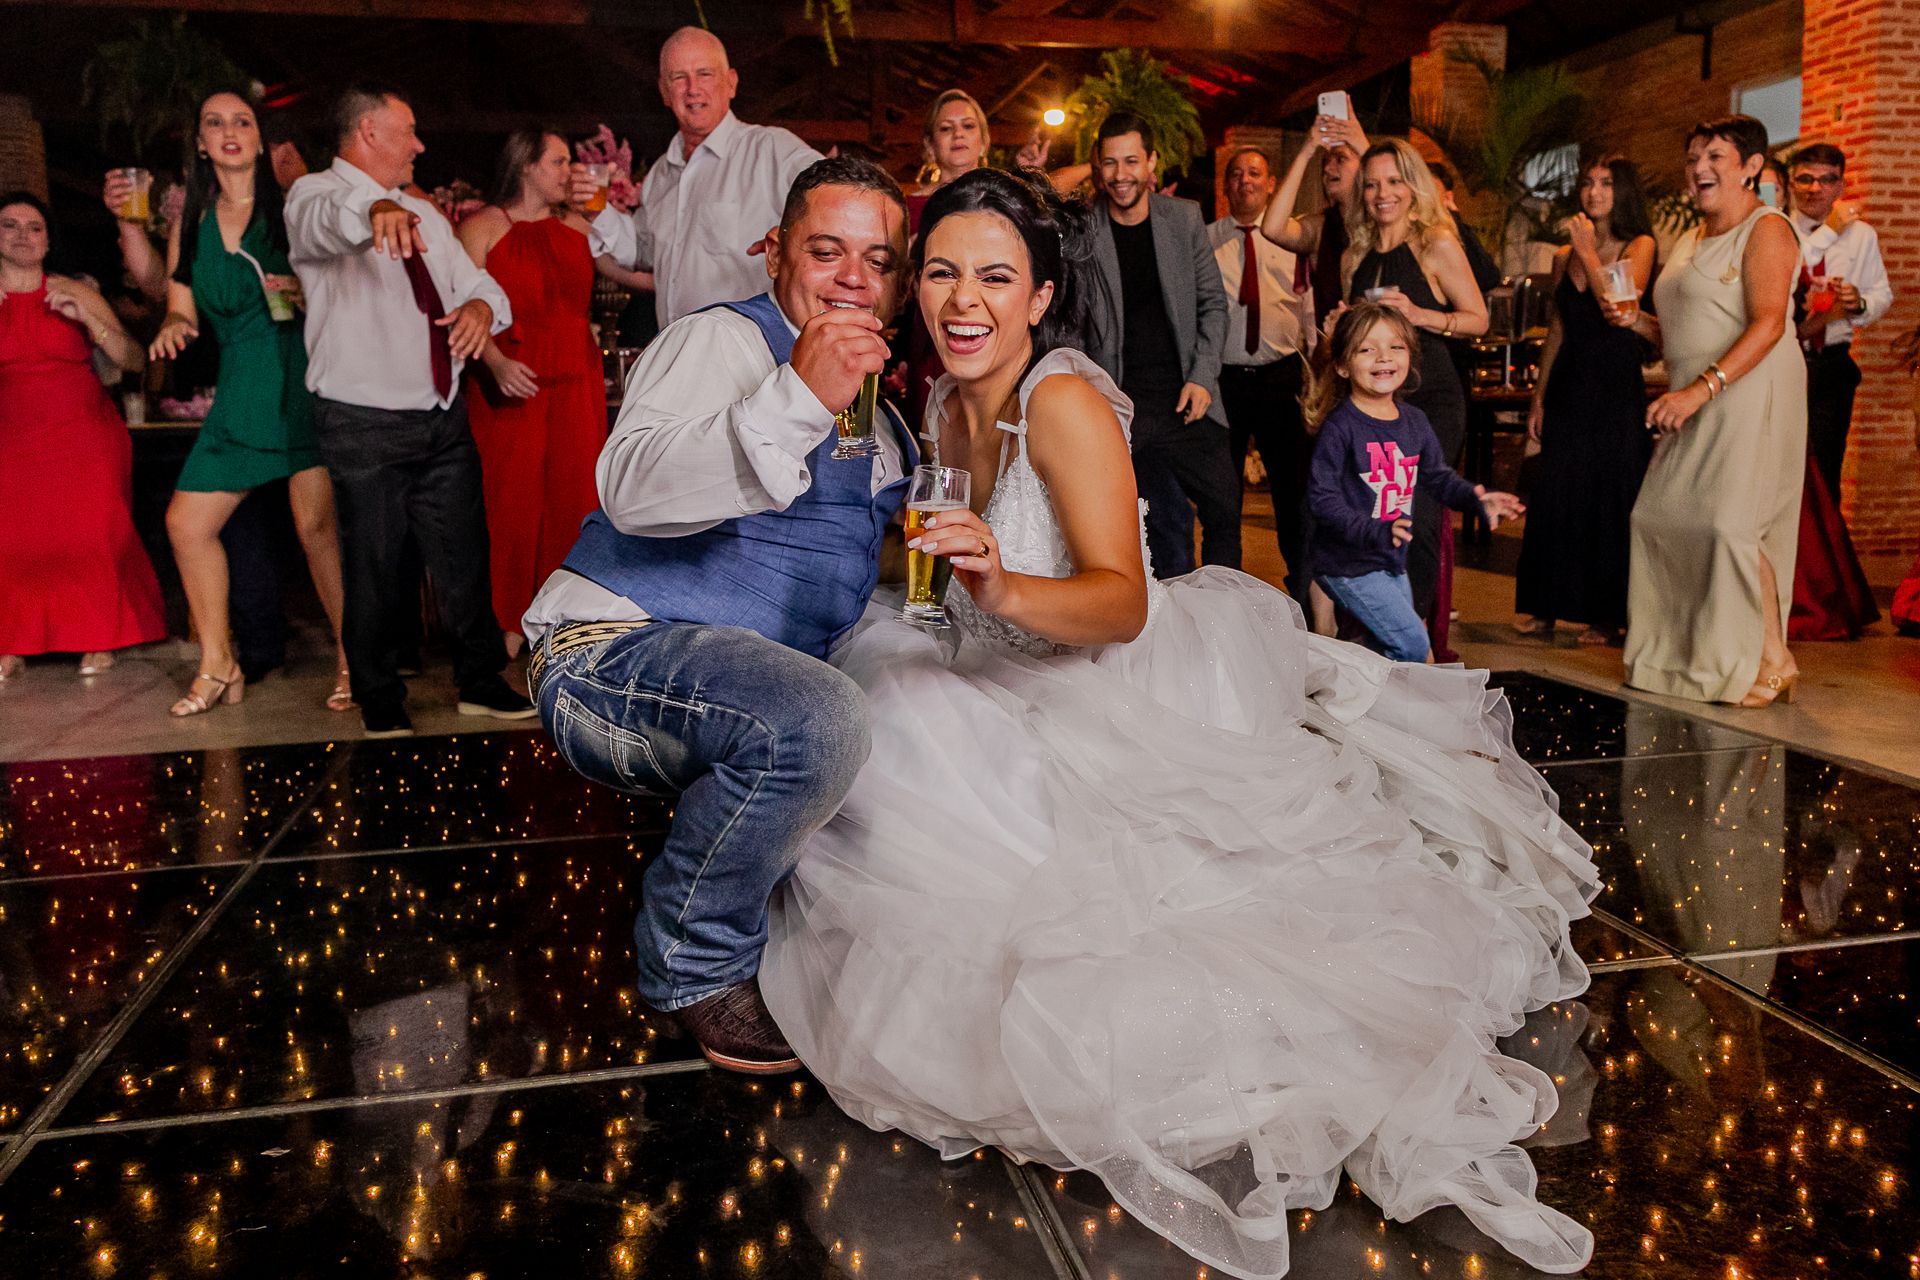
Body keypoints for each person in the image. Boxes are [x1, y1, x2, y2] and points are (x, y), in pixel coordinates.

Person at [758, 168, 1598, 1280]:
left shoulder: (1058, 396)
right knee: (875, 703)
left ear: (1042, 296)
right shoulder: (935, 400)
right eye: (946, 273)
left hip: (1106, 668)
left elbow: (1121, 600)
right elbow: (931, 566)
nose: (966, 299)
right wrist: (913, 584)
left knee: (939, 771)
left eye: (996, 277)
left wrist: (1001, 589)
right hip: (989, 651)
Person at [524, 155, 916, 1073]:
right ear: (773, 253)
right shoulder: (721, 344)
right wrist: (796, 395)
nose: (853, 277)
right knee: (818, 720)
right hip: (607, 658)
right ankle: (694, 963)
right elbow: (628, 489)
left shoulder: (890, 430)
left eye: (878, 259)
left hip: (724, 682)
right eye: (826, 250)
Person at [285, 83, 532, 737]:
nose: (420, 144)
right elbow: (328, 223)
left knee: (463, 556)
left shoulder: (419, 212)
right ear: (369, 131)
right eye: (410, 130)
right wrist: (369, 219)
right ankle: (379, 697)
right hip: (362, 421)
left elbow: (478, 284)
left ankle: (480, 680)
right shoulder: (315, 196)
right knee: (373, 564)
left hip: (440, 411)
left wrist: (482, 309)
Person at [146, 89, 351, 717]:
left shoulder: (293, 206)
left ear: (261, 140)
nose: (230, 131)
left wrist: (305, 293)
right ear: (201, 144)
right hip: (239, 388)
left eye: (243, 121)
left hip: (298, 375)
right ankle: (218, 662)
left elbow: (344, 289)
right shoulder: (195, 221)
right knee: (187, 524)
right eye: (215, 123)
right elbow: (182, 299)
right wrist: (172, 326)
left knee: (315, 528)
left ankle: (353, 658)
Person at [1611, 116, 1805, 707]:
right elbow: (1681, 326)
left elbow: (1770, 321)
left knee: (1732, 525)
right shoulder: (1691, 238)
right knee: (1656, 517)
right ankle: (1680, 654)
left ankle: (1770, 658)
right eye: (1694, 156)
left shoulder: (1768, 228)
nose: (1700, 167)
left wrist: (1701, 388)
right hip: (1693, 392)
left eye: (1716, 155)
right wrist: (1636, 322)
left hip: (1748, 389)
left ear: (1752, 166)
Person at [0, 192, 166, 681]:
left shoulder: (75, 289)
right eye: (10, 225)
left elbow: (134, 359)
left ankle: (99, 635)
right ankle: (10, 640)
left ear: (49, 240)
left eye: (34, 227)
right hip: (11, 438)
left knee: (92, 535)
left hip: (84, 436)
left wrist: (89, 319)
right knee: (12, 540)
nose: (23, 235)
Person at [456, 128, 606, 659]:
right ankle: (507, 622)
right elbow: (458, 305)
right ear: (526, 166)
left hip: (575, 377)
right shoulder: (481, 226)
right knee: (510, 502)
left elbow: (632, 272)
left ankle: (564, 618)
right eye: (560, 161)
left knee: (575, 496)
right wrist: (494, 363)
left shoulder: (580, 226)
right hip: (509, 378)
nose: (570, 171)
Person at [1305, 302, 1523, 661]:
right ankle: (1347, 703)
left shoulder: (1415, 422)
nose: (1383, 357)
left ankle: (1349, 707)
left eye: (1395, 346)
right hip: (1347, 565)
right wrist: (1375, 531)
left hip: (1391, 560)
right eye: (1366, 348)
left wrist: (1475, 499)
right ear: (1343, 365)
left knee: (1383, 647)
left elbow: (1437, 478)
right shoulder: (1341, 428)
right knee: (1412, 645)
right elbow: (1323, 499)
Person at [1341, 138, 1489, 628]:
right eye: (1372, 184)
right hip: (1375, 404)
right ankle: (1369, 637)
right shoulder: (1355, 255)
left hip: (1432, 402)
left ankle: (1409, 647)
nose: (1383, 193)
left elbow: (1478, 319)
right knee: (1370, 515)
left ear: (1413, 186)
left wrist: (1419, 314)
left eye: (1394, 181)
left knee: (1416, 517)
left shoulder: (1436, 244)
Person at [1513, 156, 1657, 646]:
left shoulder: (1641, 245)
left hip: (1615, 382)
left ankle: (1605, 616)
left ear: (1624, 191)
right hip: (1571, 380)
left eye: (1607, 184)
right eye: (1588, 183)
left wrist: (1590, 254)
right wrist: (1539, 397)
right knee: (1556, 489)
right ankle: (1545, 605)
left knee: (1609, 493)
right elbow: (1558, 327)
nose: (1594, 192)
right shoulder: (1560, 256)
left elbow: (1619, 306)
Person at [589, 26, 821, 327]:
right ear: (664, 91)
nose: (692, 88)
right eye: (678, 77)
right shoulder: (661, 172)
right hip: (675, 352)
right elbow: (642, 250)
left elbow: (834, 188)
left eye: (704, 74)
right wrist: (592, 208)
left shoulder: (770, 149)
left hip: (749, 361)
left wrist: (795, 239)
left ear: (731, 83)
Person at [1085, 111, 1230, 577]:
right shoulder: (1084, 228)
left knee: (1225, 512)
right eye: (1110, 163)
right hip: (1125, 406)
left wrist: (1202, 378)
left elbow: (1213, 305)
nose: (1121, 175)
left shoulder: (1183, 218)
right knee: (1166, 527)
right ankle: (1171, 636)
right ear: (1097, 166)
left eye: (1131, 161)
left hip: (1190, 396)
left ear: (1152, 162)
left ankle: (1231, 624)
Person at [1207, 145, 1314, 596]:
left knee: (1294, 493)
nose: (1245, 181)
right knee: (1221, 495)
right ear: (1226, 184)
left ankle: (1306, 590)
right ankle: (1218, 590)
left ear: (1271, 184)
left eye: (1255, 173)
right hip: (1224, 380)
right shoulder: (1205, 239)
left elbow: (1308, 307)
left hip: (1282, 376)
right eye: (1236, 174)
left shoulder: (1294, 238)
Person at [1788, 142, 1892, 495]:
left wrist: (1859, 303)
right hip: (1782, 362)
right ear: (1791, 183)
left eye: (1826, 179)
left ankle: (1823, 549)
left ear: (1841, 186)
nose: (1815, 188)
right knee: (1779, 467)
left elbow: (1881, 293)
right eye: (1805, 178)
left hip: (1831, 364)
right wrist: (1830, 229)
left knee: (1824, 471)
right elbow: (1788, 269)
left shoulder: (1862, 235)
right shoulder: (1779, 228)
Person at [1260, 109, 1367, 328]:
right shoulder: (1321, 227)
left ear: (1364, 168)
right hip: (1334, 354)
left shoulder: (1386, 224)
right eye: (1326, 160)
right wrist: (1306, 151)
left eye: (1341, 159)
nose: (1328, 168)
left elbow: (1412, 200)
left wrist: (1364, 146)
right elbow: (1272, 228)